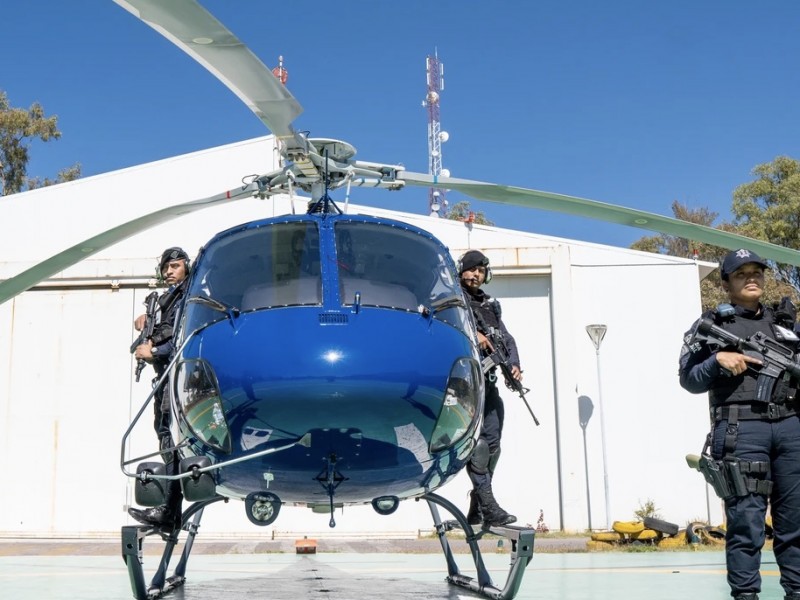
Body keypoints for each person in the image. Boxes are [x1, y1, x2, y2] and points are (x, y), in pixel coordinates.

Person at [679, 248, 800, 600]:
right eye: (741, 273)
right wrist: (717, 360)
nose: (751, 278)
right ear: (726, 283)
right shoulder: (711, 325)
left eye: (756, 272)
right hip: (741, 429)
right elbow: (689, 379)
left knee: (795, 523)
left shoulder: (785, 324)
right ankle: (746, 595)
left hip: (791, 428)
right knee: (747, 524)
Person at [128, 247, 190, 530]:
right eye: (166, 268)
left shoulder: (187, 298)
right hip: (165, 376)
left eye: (175, 266)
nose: (169, 272)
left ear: (186, 267)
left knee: (169, 438)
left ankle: (169, 510)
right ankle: (169, 510)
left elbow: (180, 339)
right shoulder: (170, 299)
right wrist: (146, 323)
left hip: (175, 375)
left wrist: (153, 351)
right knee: (164, 436)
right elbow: (165, 329)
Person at [459, 249, 520, 527]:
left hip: (489, 382)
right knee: (480, 445)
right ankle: (489, 505)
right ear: (462, 270)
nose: (476, 275)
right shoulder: (453, 300)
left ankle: (478, 506)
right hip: (464, 383)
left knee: (493, 444)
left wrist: (514, 364)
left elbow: (506, 337)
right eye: (472, 269)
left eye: (481, 271)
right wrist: (475, 335)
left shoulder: (489, 304)